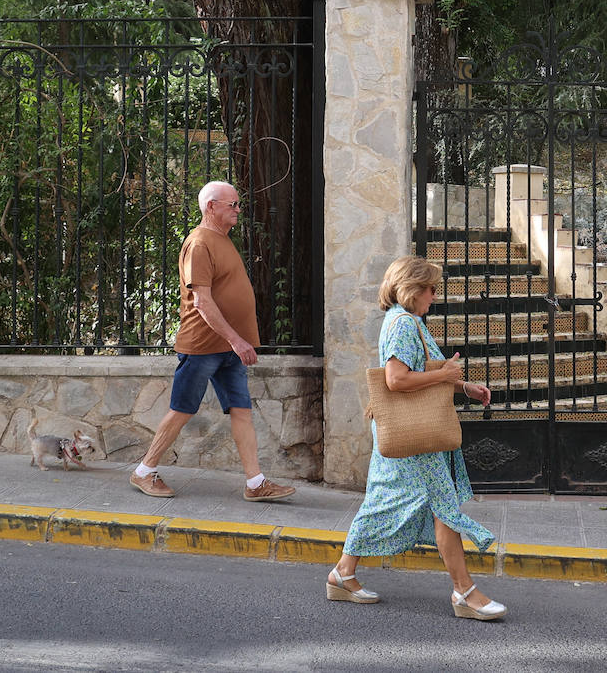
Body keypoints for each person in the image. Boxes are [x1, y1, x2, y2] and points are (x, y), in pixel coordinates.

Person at [325, 255, 505, 620]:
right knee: (444, 509)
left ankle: (343, 573)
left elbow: (418, 371)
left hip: (406, 436)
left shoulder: (405, 322)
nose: (434, 296)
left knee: (382, 504)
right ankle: (465, 593)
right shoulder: (404, 325)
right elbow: (396, 379)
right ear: (412, 289)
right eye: (430, 288)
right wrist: (446, 378)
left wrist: (463, 386)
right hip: (414, 440)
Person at [128, 180, 296, 503]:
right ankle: (144, 471)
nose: (237, 210)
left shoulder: (222, 240)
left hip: (228, 348)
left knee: (241, 410)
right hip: (204, 346)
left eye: (237, 204)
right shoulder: (199, 243)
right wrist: (237, 340)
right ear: (211, 207)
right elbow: (202, 302)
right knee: (181, 410)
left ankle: (255, 482)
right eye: (231, 204)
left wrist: (235, 342)